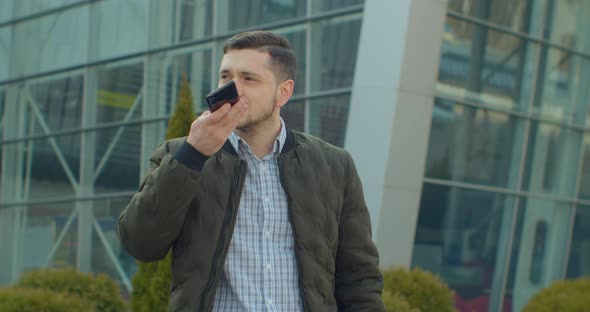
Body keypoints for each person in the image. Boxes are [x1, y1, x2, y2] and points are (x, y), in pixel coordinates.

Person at [117, 30, 384, 312]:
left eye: (248, 79)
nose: (232, 90)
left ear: (284, 92)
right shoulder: (180, 155)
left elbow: (359, 276)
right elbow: (140, 243)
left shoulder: (333, 165)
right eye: (225, 77)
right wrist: (193, 155)